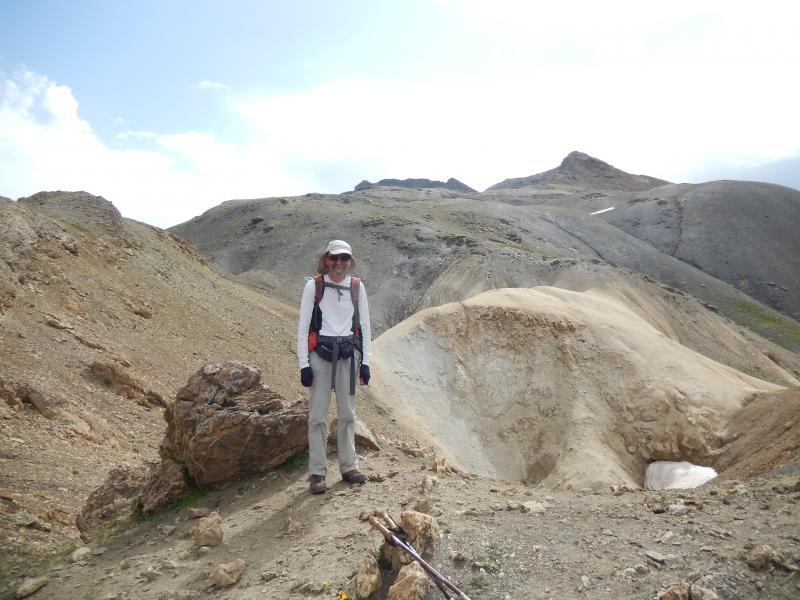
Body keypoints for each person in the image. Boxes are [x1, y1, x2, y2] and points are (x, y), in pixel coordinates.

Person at [296, 240, 372, 494]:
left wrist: (366, 362)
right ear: (327, 259)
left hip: (348, 355)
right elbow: (303, 327)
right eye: (335, 258)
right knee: (317, 416)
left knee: (347, 414)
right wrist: (304, 365)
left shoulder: (357, 287)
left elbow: (365, 327)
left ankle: (349, 467)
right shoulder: (314, 286)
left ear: (350, 261)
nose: (339, 263)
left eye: (344, 259)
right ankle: (317, 473)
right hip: (320, 355)